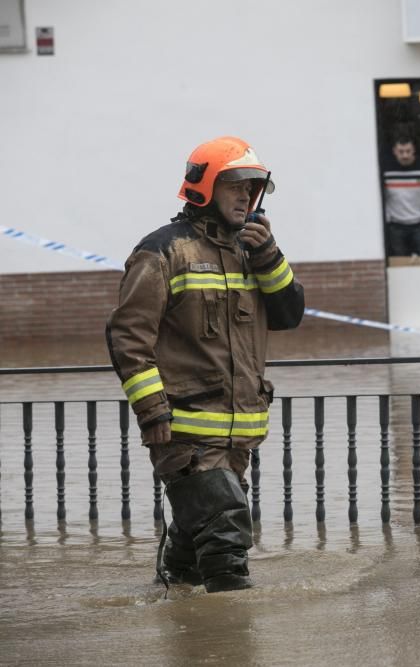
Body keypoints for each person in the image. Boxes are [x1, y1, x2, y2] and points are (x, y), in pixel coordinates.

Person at [106, 136, 305, 593]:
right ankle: (233, 644)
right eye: (235, 184)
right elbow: (128, 336)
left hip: (236, 433)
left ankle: (172, 607)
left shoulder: (253, 250)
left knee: (197, 541)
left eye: (253, 187)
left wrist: (270, 257)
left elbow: (290, 315)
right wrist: (152, 410)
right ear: (205, 187)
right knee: (227, 535)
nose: (244, 196)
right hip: (184, 431)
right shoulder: (163, 251)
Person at [382, 136, 420, 256]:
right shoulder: (385, 169)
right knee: (399, 264)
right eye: (401, 152)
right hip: (396, 225)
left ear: (414, 150)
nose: (405, 155)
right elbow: (382, 195)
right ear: (394, 151)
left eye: (408, 151)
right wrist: (387, 218)